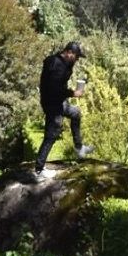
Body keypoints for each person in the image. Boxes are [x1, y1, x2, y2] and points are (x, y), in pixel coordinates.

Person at [34, 41, 94, 180]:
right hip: (52, 104)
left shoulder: (60, 62)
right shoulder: (57, 65)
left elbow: (59, 83)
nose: (77, 60)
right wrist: (73, 93)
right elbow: (55, 89)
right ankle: (39, 170)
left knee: (75, 113)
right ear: (69, 53)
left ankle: (79, 148)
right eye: (76, 57)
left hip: (59, 102)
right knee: (52, 134)